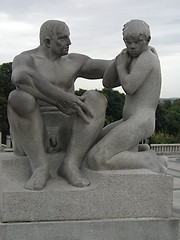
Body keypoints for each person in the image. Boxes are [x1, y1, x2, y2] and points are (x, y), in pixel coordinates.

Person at [8, 20, 110, 190]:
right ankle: (40, 167)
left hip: (67, 133)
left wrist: (131, 56)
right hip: (34, 133)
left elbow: (109, 68)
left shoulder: (74, 61)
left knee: (96, 98)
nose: (69, 42)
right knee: (18, 97)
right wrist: (60, 98)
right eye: (63, 38)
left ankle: (71, 164)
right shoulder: (25, 59)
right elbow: (20, 77)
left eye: (68, 37)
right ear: (47, 41)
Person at [87, 19, 167, 173]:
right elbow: (107, 82)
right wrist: (119, 59)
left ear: (147, 40)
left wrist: (120, 65)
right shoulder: (131, 57)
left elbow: (129, 87)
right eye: (128, 42)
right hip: (128, 120)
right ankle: (137, 152)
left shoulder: (147, 58)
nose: (132, 46)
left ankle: (148, 159)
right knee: (91, 144)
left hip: (142, 121)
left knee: (97, 159)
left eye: (136, 42)